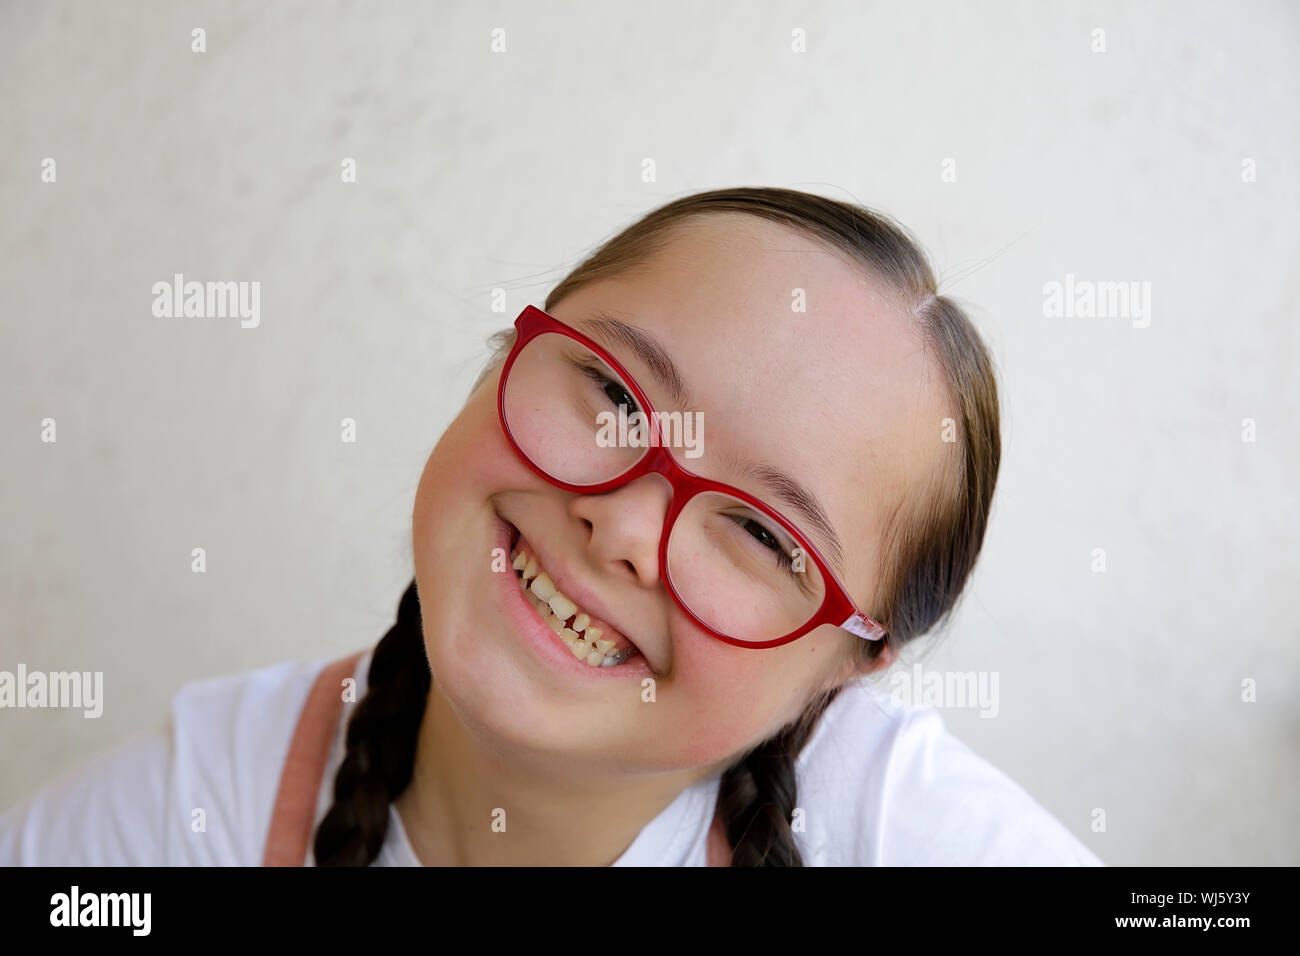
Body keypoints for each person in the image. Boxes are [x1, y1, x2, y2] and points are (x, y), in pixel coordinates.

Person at [0, 187, 1102, 866]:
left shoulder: (893, 827)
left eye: (763, 534)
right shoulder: (189, 811)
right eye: (617, 398)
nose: (623, 524)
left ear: (844, 668)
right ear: (500, 353)